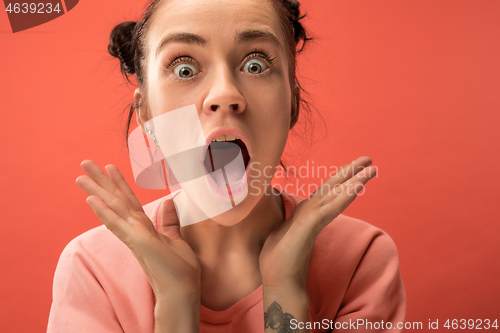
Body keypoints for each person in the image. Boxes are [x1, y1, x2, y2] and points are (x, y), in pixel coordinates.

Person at [47, 0, 406, 332]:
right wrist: (175, 303)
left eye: (255, 65)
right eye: (184, 68)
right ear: (147, 116)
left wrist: (284, 290)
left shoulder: (360, 259)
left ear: (292, 103)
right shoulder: (93, 268)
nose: (225, 95)